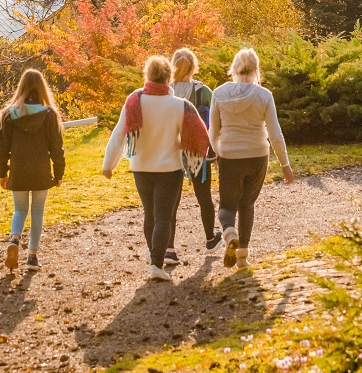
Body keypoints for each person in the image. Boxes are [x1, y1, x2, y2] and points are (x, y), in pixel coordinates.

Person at [102, 54, 209, 282]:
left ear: (147, 75)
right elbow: (201, 135)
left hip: (140, 168)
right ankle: (156, 264)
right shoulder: (180, 105)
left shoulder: (134, 100)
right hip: (169, 169)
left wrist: (108, 164)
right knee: (163, 218)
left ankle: (154, 258)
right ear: (169, 77)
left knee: (149, 214)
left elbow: (119, 133)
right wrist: (197, 160)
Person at [209, 47, 294, 270]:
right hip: (258, 155)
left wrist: (219, 153)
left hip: (229, 156)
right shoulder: (264, 95)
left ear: (233, 69)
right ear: (257, 69)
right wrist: (285, 165)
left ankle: (229, 234)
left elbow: (213, 132)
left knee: (227, 205)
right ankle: (242, 257)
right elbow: (275, 133)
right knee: (247, 204)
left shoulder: (219, 93)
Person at [0, 68, 65, 273]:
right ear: (43, 88)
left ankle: (14, 240)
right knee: (37, 211)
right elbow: (56, 148)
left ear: (21, 87)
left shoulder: (9, 115)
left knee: (19, 210)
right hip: (41, 171)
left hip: (18, 169)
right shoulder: (49, 115)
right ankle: (32, 257)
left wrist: (2, 172)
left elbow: (2, 148)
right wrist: (59, 173)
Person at [166, 47, 222, 266]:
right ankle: (210, 239)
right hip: (200, 154)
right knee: (204, 197)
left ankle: (169, 248)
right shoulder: (203, 91)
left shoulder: (165, 91)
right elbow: (216, 121)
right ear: (194, 67)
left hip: (171, 152)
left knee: (171, 201)